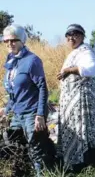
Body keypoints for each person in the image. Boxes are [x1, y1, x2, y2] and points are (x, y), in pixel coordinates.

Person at [56, 24, 95, 167]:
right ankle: (84, 159)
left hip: (86, 100)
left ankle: (87, 161)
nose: (71, 38)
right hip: (78, 99)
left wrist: (71, 70)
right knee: (83, 131)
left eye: (75, 35)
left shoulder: (85, 51)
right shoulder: (76, 52)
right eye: (68, 36)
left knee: (88, 131)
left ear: (82, 36)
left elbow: (92, 69)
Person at [0, 24, 54, 176]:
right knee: (15, 145)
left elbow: (43, 88)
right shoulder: (11, 62)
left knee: (36, 148)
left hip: (32, 112)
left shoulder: (32, 60)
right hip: (17, 113)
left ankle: (41, 173)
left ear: (22, 41)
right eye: (6, 41)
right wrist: (6, 109)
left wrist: (40, 115)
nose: (10, 44)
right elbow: (14, 91)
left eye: (13, 40)